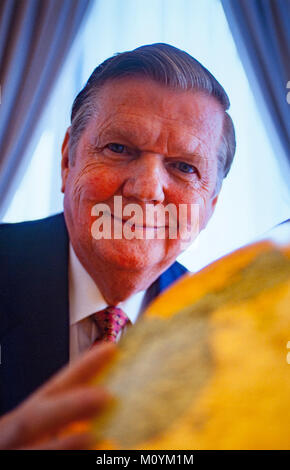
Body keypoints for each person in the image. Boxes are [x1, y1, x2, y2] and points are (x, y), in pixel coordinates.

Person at [0, 43, 236, 449]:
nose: (147, 190)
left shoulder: (227, 333)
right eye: (119, 148)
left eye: (184, 167)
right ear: (67, 161)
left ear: (210, 206)